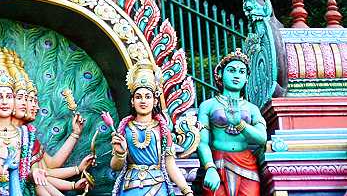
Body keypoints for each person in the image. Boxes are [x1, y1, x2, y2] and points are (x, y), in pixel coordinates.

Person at [110, 62, 193, 196]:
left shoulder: (163, 130)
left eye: (148, 97)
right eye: (138, 97)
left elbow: (170, 165)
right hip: (129, 187)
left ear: (155, 101)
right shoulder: (124, 129)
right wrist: (120, 153)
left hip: (158, 187)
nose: (143, 101)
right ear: (132, 101)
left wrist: (186, 190)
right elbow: (115, 166)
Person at [196, 50, 266, 196]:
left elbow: (262, 138)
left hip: (247, 165)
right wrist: (209, 168)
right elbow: (201, 142)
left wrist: (239, 123)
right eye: (231, 70)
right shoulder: (208, 105)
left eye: (241, 72)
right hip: (217, 163)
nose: (236, 75)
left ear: (246, 78)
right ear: (220, 73)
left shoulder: (251, 109)